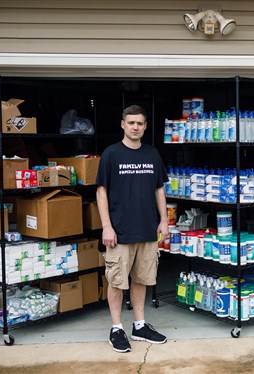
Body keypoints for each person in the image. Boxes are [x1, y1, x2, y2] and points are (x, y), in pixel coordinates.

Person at [96, 105, 170, 353]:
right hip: (119, 232)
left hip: (148, 230)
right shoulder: (111, 154)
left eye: (140, 123)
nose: (135, 127)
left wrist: (164, 220)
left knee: (142, 279)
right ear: (123, 124)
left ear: (145, 126)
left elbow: (159, 189)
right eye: (131, 123)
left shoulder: (152, 154)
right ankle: (117, 328)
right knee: (117, 281)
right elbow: (101, 191)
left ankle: (139, 325)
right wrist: (107, 226)